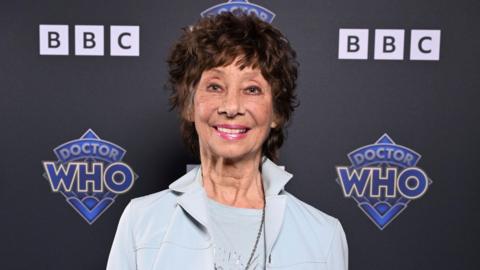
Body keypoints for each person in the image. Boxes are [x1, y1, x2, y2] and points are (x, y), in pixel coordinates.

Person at [107, 12, 348, 270]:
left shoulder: (324, 236)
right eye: (215, 86)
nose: (231, 107)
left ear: (276, 112)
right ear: (189, 105)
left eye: (252, 89)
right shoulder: (141, 222)